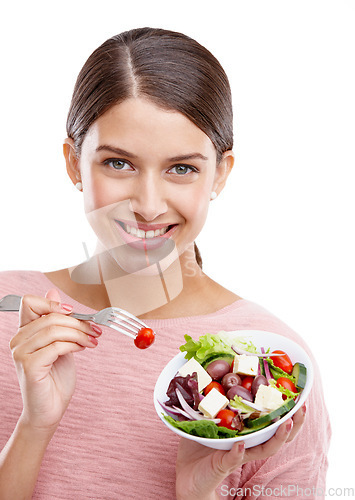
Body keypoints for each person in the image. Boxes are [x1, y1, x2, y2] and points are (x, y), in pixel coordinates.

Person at [0, 27, 330, 499]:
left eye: (182, 169)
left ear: (220, 173)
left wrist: (197, 494)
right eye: (119, 163)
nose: (149, 205)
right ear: (74, 163)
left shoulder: (273, 365)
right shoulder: (10, 314)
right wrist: (33, 426)